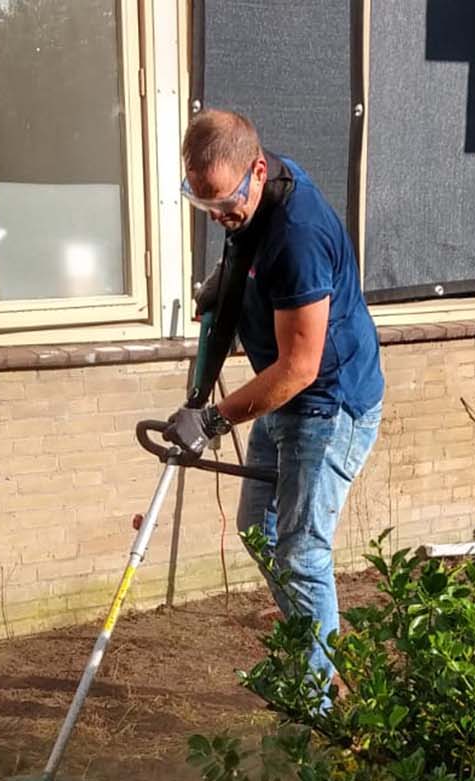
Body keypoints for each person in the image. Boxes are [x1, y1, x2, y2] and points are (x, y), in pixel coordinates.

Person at [163, 109, 383, 697]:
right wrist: (195, 398)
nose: (218, 216)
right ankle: (314, 644)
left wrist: (211, 419)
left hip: (328, 403)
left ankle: (321, 705)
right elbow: (236, 285)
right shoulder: (250, 206)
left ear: (258, 171)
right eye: (202, 203)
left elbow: (300, 367)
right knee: (256, 528)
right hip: (282, 399)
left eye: (226, 201)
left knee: (302, 550)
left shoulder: (298, 234)